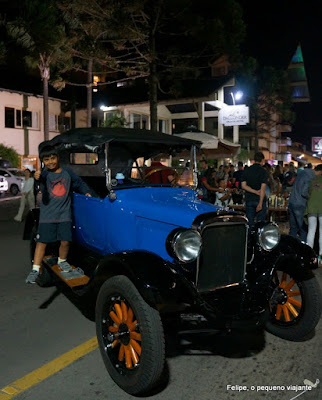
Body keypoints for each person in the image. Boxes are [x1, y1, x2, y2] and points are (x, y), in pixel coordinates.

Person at [25, 145, 92, 284]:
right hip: (47, 215)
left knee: (65, 241)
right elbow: (39, 179)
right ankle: (35, 269)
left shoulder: (67, 172)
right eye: (46, 160)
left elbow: (79, 182)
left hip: (64, 215)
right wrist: (36, 177)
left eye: (53, 158)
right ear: (43, 161)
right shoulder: (45, 173)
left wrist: (86, 191)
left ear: (58, 157)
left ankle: (62, 261)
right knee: (42, 242)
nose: (50, 162)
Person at [288, 166, 316, 241]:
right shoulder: (311, 176)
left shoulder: (302, 172)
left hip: (291, 201)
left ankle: (291, 248)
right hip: (300, 204)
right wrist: (312, 197)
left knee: (293, 228)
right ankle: (303, 248)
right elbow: (304, 192)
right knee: (303, 229)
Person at [241, 152, 268, 229]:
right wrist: (260, 202)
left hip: (249, 199)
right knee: (260, 225)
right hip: (259, 200)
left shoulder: (247, 170)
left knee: (249, 223)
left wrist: (254, 191)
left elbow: (243, 186)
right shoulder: (263, 172)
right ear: (262, 160)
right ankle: (257, 240)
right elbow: (262, 189)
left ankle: (249, 239)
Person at [305, 164, 322, 262]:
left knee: (311, 231)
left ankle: (309, 255)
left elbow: (309, 193)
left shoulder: (312, 181)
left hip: (311, 207)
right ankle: (321, 256)